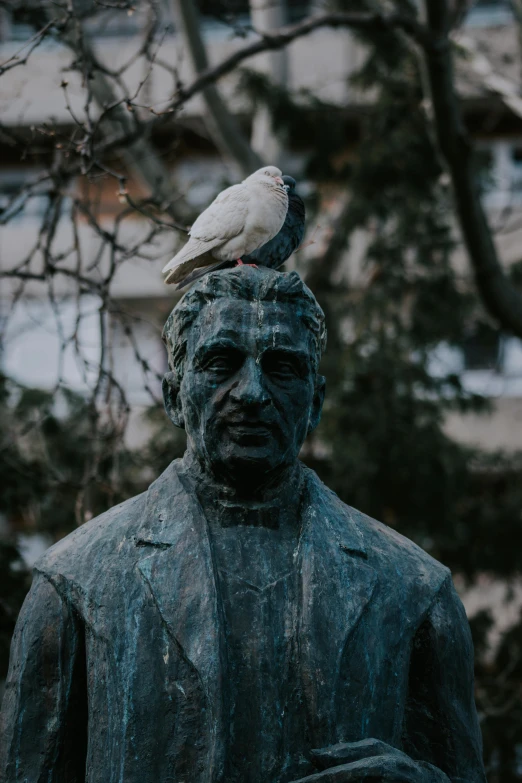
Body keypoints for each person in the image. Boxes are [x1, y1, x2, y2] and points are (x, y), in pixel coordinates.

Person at [0, 267, 486, 783]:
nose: (252, 392)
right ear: (173, 398)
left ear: (315, 401)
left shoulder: (413, 588)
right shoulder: (76, 580)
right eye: (220, 363)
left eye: (281, 368)